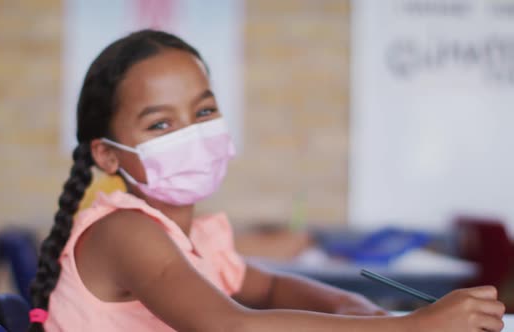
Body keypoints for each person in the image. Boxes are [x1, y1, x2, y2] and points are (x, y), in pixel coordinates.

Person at [28, 30, 505, 332]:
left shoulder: (198, 240)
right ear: (108, 156)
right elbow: (231, 326)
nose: (193, 132)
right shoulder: (125, 233)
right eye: (161, 124)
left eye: (204, 111)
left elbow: (271, 290)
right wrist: (413, 327)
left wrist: (352, 306)